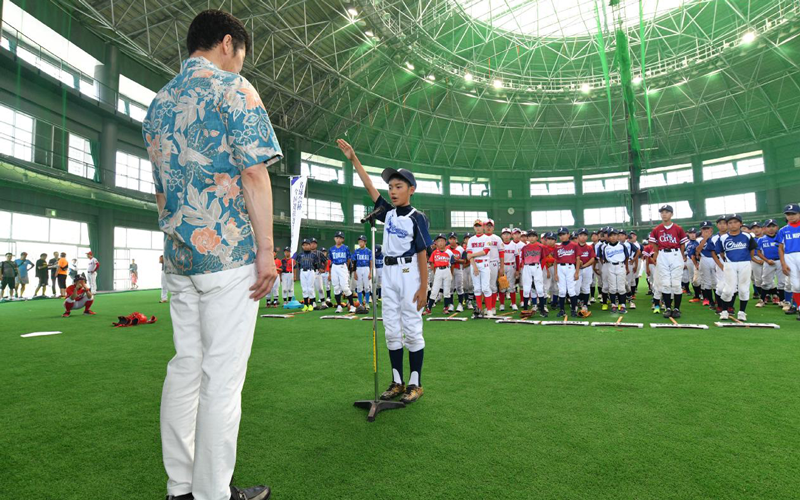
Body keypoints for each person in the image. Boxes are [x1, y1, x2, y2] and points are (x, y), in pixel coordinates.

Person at [142, 9, 282, 500]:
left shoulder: (157, 104)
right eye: (241, 55)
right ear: (228, 44)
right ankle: (212, 494)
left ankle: (180, 486)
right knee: (221, 380)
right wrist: (266, 250)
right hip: (229, 255)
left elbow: (160, 190)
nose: (241, 65)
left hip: (181, 258)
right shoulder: (233, 89)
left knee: (185, 369)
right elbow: (255, 174)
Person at [338, 138, 432, 404]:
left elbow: (423, 252)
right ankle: (397, 382)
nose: (392, 191)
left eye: (398, 186)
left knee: (412, 329)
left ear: (411, 189)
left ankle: (416, 383)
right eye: (390, 186)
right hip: (387, 274)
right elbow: (369, 186)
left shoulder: (417, 217)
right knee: (391, 329)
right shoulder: (387, 214)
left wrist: (423, 286)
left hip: (409, 273)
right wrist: (354, 158)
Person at [649, 205, 688, 319]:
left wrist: (680, 255)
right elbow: (653, 243)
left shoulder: (678, 228)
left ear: (671, 214)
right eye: (662, 212)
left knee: (676, 284)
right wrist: (658, 253)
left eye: (667, 212)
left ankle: (676, 308)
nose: (664, 214)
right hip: (662, 254)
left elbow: (682, 243)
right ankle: (667, 308)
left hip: (675, 254)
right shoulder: (657, 229)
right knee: (665, 284)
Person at [716, 214, 757, 321]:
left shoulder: (747, 236)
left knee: (743, 289)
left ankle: (742, 312)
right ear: (727, 225)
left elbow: (752, 249)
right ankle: (724, 311)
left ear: (740, 223)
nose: (733, 225)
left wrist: (749, 258)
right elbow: (720, 252)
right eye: (730, 223)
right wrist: (726, 261)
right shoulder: (723, 238)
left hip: (745, 263)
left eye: (735, 222)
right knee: (728, 290)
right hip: (730, 264)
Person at [553, 227, 583, 317]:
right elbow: (555, 261)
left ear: (568, 235)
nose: (562, 236)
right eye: (560, 235)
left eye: (564, 234)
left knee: (571, 290)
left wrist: (577, 272)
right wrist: (555, 273)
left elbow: (578, 259)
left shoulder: (574, 245)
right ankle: (562, 310)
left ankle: (573, 310)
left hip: (570, 267)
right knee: (562, 291)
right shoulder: (557, 247)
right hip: (560, 267)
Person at [778, 204, 800, 319]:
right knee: (795, 285)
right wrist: (783, 264)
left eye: (793, 214)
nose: (790, 216)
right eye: (788, 214)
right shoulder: (783, 230)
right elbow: (780, 248)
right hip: (789, 256)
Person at [519, 230, 547, 317]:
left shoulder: (541, 246)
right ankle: (525, 310)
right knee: (526, 288)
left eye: (533, 236)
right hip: (527, 267)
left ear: (537, 237)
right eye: (529, 236)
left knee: (539, 288)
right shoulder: (524, 247)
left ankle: (542, 309)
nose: (531, 238)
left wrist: (540, 268)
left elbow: (543, 258)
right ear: (527, 238)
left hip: (537, 266)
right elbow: (522, 258)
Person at [328, 231, 356, 313]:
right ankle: (339, 306)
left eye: (340, 238)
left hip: (342, 266)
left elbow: (348, 259)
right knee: (336, 287)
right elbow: (331, 260)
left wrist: (346, 268)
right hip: (334, 267)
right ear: (334, 238)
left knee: (345, 287)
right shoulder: (331, 249)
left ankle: (352, 305)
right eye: (337, 237)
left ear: (343, 239)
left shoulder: (346, 248)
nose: (338, 239)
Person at [756, 219, 782, 307]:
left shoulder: (781, 237)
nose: (771, 229)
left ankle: (782, 301)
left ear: (777, 227)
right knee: (766, 281)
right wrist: (767, 260)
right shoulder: (761, 240)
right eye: (769, 226)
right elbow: (758, 252)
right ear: (764, 228)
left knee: (782, 282)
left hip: (780, 261)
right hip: (768, 262)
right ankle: (762, 300)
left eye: (773, 226)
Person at [427, 234, 454, 314]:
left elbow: (452, 264)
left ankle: (445, 308)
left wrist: (451, 274)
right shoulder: (434, 252)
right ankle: (429, 309)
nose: (440, 243)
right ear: (436, 243)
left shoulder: (449, 252)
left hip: (447, 270)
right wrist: (435, 271)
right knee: (434, 290)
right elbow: (431, 263)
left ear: (445, 242)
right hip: (438, 270)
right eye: (438, 241)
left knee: (447, 290)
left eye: (442, 241)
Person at [353, 235, 373, 310]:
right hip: (358, 268)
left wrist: (370, 272)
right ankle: (360, 303)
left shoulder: (368, 251)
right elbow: (354, 262)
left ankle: (367, 303)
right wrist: (354, 272)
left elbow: (371, 262)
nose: (360, 243)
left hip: (366, 268)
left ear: (365, 242)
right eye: (359, 241)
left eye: (362, 241)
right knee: (359, 287)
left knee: (367, 287)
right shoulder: (356, 251)